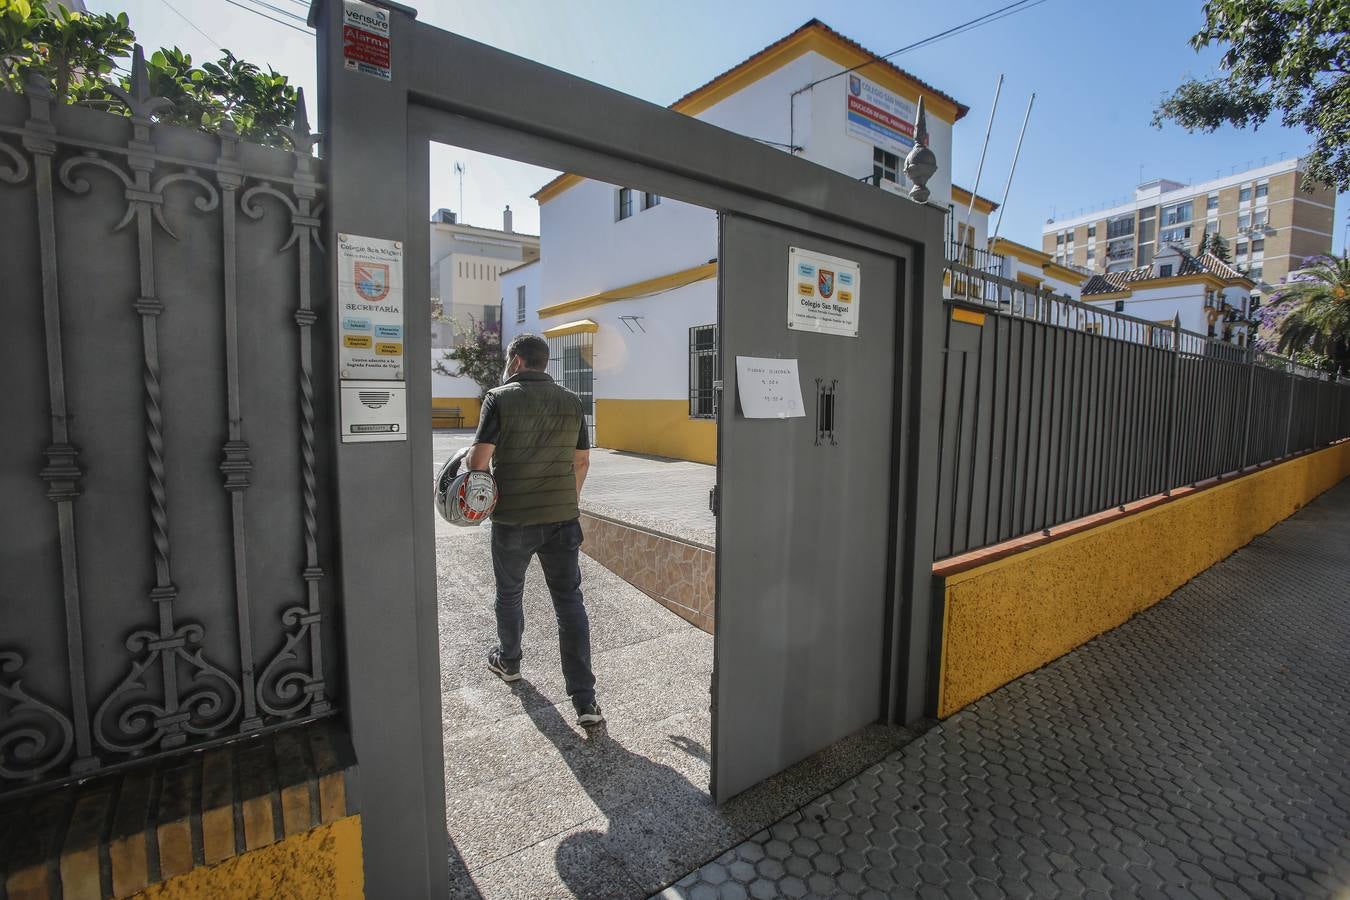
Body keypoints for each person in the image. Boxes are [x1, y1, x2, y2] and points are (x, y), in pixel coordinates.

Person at [465, 333, 602, 726]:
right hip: (563, 518)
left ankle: (509, 661)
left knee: (509, 593)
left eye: (509, 359)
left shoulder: (499, 397)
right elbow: (581, 462)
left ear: (517, 360)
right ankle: (585, 701)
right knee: (569, 603)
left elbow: (478, 461)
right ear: (545, 363)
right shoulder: (572, 401)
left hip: (513, 519)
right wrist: (567, 502)